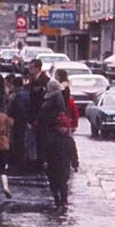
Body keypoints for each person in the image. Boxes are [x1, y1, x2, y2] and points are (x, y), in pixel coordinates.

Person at [38, 77, 73, 208]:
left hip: (59, 158)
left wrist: (74, 162)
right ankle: (60, 197)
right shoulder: (54, 98)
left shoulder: (55, 99)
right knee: (55, 178)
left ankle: (62, 199)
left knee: (61, 179)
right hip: (54, 154)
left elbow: (72, 150)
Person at [55, 68, 81, 172]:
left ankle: (72, 161)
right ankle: (72, 161)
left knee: (68, 141)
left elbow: (72, 111)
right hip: (66, 119)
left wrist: (73, 123)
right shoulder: (65, 87)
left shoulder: (63, 87)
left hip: (65, 119)